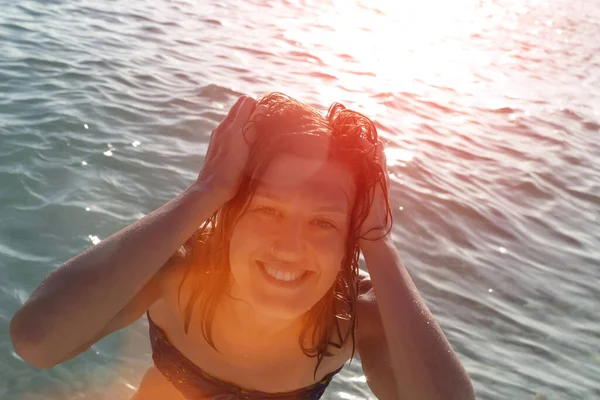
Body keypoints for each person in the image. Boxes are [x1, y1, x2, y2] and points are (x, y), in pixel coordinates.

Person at [10, 92, 475, 399]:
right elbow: (37, 342)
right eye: (269, 211)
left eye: (323, 223)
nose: (290, 247)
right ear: (232, 216)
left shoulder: (358, 318)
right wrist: (206, 191)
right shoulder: (177, 273)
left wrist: (378, 242)